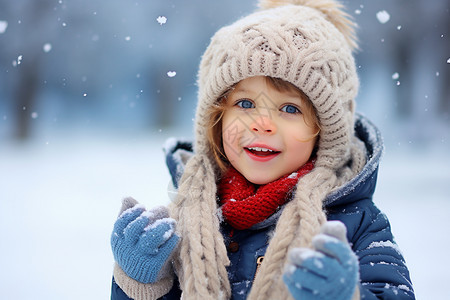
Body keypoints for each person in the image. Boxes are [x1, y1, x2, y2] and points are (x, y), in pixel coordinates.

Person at [110, 0, 415, 299]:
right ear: (215, 119)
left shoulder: (357, 224)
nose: (263, 124)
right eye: (245, 104)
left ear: (326, 132)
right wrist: (140, 282)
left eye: (290, 108)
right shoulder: (186, 217)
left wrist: (347, 295)